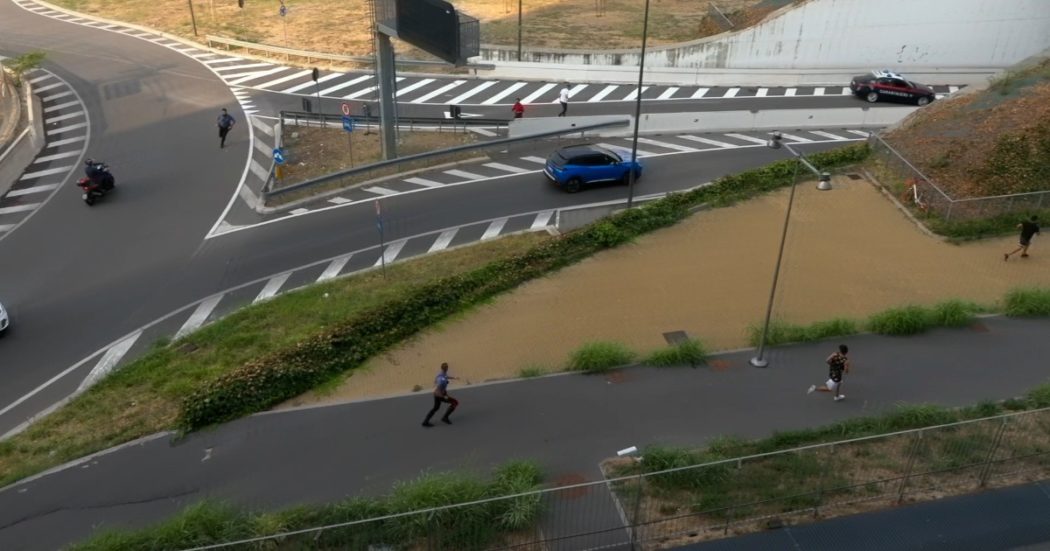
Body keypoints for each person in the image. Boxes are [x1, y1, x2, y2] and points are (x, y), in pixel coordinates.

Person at [422, 362, 459, 427]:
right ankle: (445, 418)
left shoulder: (442, 373)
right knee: (455, 402)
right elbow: (438, 389)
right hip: (439, 395)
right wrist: (444, 397)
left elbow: (446, 377)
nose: (447, 368)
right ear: (445, 368)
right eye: (446, 367)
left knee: (436, 408)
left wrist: (454, 378)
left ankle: (425, 422)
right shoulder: (441, 380)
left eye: (447, 367)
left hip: (438, 394)